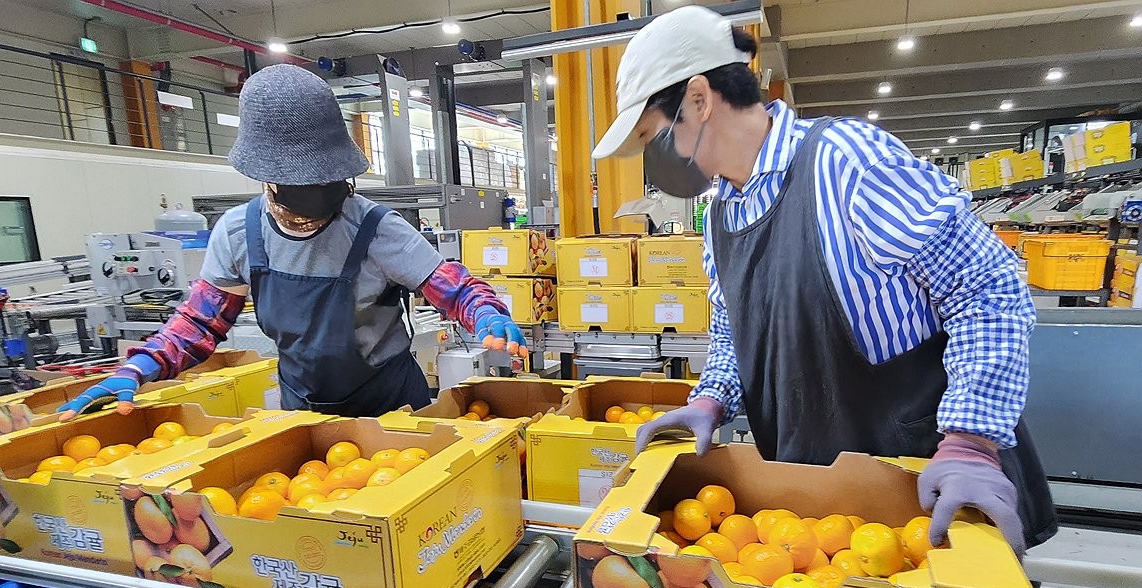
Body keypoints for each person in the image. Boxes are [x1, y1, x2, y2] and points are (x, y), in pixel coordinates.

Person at [600, 7, 1056, 556]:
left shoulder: (846, 164)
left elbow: (987, 288)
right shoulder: (721, 211)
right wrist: (710, 400)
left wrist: (971, 441)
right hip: (813, 495)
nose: (660, 159)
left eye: (655, 135)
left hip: (924, 483)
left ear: (699, 99)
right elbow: (733, 327)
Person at [60, 64, 526, 418]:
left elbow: (454, 286)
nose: (323, 194)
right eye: (304, 183)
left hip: (394, 410)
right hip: (302, 412)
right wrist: (140, 367)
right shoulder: (239, 234)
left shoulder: (377, 229)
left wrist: (486, 312)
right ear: (269, 180)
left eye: (332, 180)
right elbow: (199, 325)